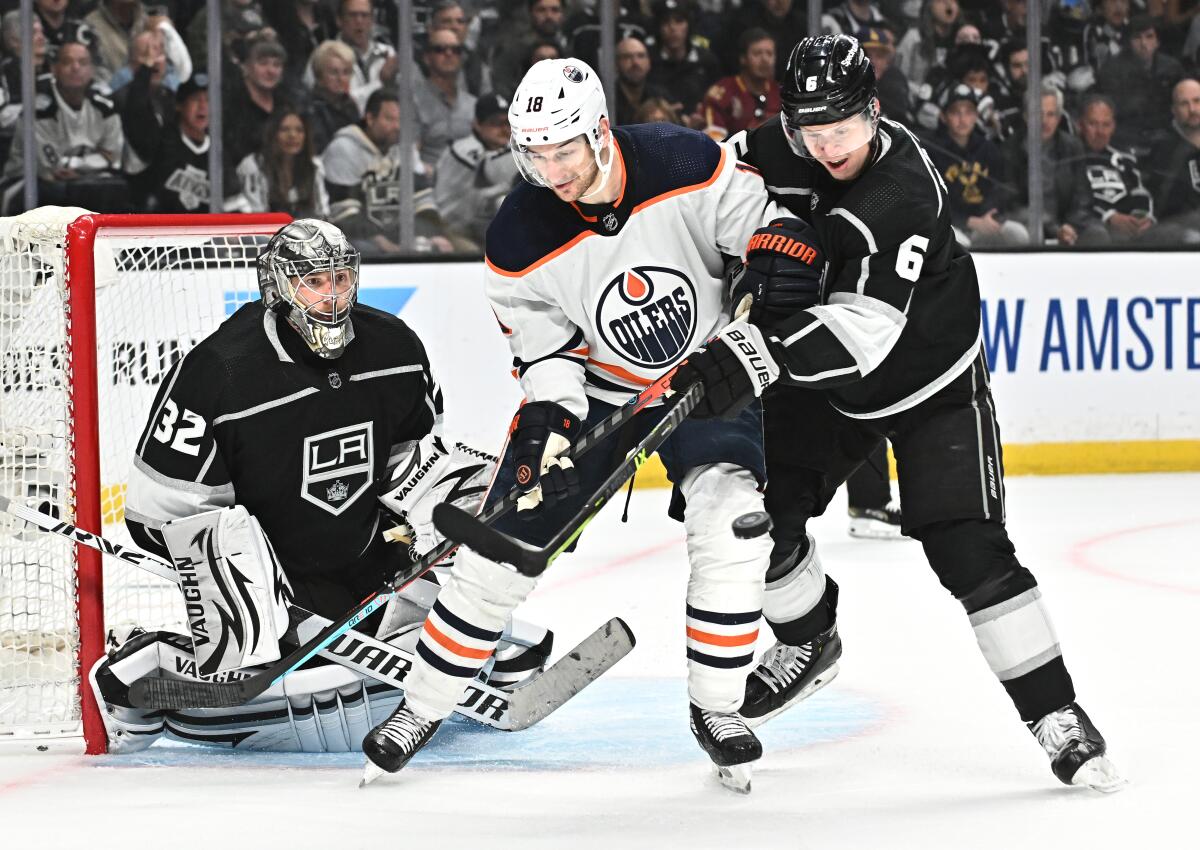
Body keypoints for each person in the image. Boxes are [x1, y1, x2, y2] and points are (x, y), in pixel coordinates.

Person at [689, 34, 1124, 793]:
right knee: (763, 516)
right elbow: (694, 202)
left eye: (843, 132)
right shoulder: (761, 150)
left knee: (968, 547)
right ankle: (808, 641)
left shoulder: (904, 190)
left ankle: (1056, 713)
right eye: (810, 132)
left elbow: (865, 333)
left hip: (930, 382)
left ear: (875, 112)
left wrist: (756, 356)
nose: (826, 149)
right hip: (824, 388)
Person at [358, 57, 787, 791]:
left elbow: (771, 238)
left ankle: (719, 710)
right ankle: (421, 706)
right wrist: (545, 427)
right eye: (536, 155)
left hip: (704, 377)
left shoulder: (685, 161)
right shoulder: (519, 235)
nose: (551, 171)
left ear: (597, 132)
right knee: (502, 544)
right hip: (600, 392)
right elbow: (545, 348)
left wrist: (759, 296)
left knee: (734, 519)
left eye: (563, 150)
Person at [92, 219, 549, 753]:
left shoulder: (394, 348)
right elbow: (157, 512)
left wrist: (441, 519)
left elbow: (414, 459)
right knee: (253, 637)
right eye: (313, 281)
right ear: (278, 287)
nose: (331, 297)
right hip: (272, 577)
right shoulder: (220, 370)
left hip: (362, 554)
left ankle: (461, 631)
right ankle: (142, 664)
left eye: (340, 280)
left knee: (468, 493)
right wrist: (242, 576)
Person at [3, 40, 130, 213]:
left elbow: (113, 156)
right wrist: (92, 162)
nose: (75, 67)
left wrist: (80, 169)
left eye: (83, 62)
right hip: (27, 182)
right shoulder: (39, 107)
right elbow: (52, 168)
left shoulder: (105, 107)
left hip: (84, 180)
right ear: (54, 69)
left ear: (92, 70)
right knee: (56, 191)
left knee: (117, 189)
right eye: (67, 62)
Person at [434, 92, 519, 246]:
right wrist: (503, 188)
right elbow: (459, 208)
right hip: (451, 230)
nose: (504, 129)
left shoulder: (510, 148)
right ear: (477, 125)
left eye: (507, 123)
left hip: (485, 226)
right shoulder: (463, 151)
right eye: (495, 123)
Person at [1076, 93, 1157, 243]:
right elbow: (1074, 201)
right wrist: (1108, 217)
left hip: (1128, 226)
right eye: (1093, 124)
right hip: (1092, 228)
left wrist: (1142, 217)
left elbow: (1140, 193)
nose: (1100, 132)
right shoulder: (1072, 158)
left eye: (1106, 125)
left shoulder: (1124, 159)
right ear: (1079, 125)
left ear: (1113, 126)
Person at [232, 106, 330, 218]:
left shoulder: (314, 166)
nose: (293, 135)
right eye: (284, 129)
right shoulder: (253, 166)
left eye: (299, 130)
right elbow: (256, 216)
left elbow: (322, 212)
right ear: (272, 134)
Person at [1146, 77, 1200, 243]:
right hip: (1181, 227)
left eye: (1197, 101)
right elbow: (1168, 206)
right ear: (1173, 110)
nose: (1192, 109)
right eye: (1184, 104)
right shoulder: (1164, 148)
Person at [701, 28, 781, 138]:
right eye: (757, 53)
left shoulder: (782, 94)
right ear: (743, 58)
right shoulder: (721, 94)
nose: (765, 60)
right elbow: (715, 144)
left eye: (769, 54)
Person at [307, 38, 361, 154]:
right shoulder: (309, 109)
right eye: (333, 72)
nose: (341, 79)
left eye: (346, 72)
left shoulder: (350, 105)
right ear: (319, 75)